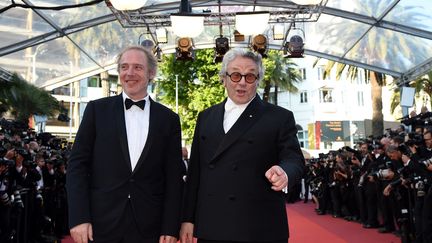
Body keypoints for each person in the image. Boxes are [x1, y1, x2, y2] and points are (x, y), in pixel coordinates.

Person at [180, 48, 305, 243]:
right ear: (224, 78)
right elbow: (195, 171)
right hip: (212, 226)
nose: (242, 83)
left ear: (258, 80)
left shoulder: (279, 117)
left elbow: (294, 158)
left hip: (259, 227)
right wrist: (187, 218)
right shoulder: (206, 117)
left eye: (250, 76)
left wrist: (285, 172)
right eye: (236, 75)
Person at [66, 45, 184, 243]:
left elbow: (173, 177)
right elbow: (77, 167)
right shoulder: (97, 111)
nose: (129, 73)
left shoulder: (169, 119)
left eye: (137, 67)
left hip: (149, 225)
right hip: (100, 224)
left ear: (151, 73)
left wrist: (170, 227)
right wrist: (79, 217)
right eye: (124, 67)